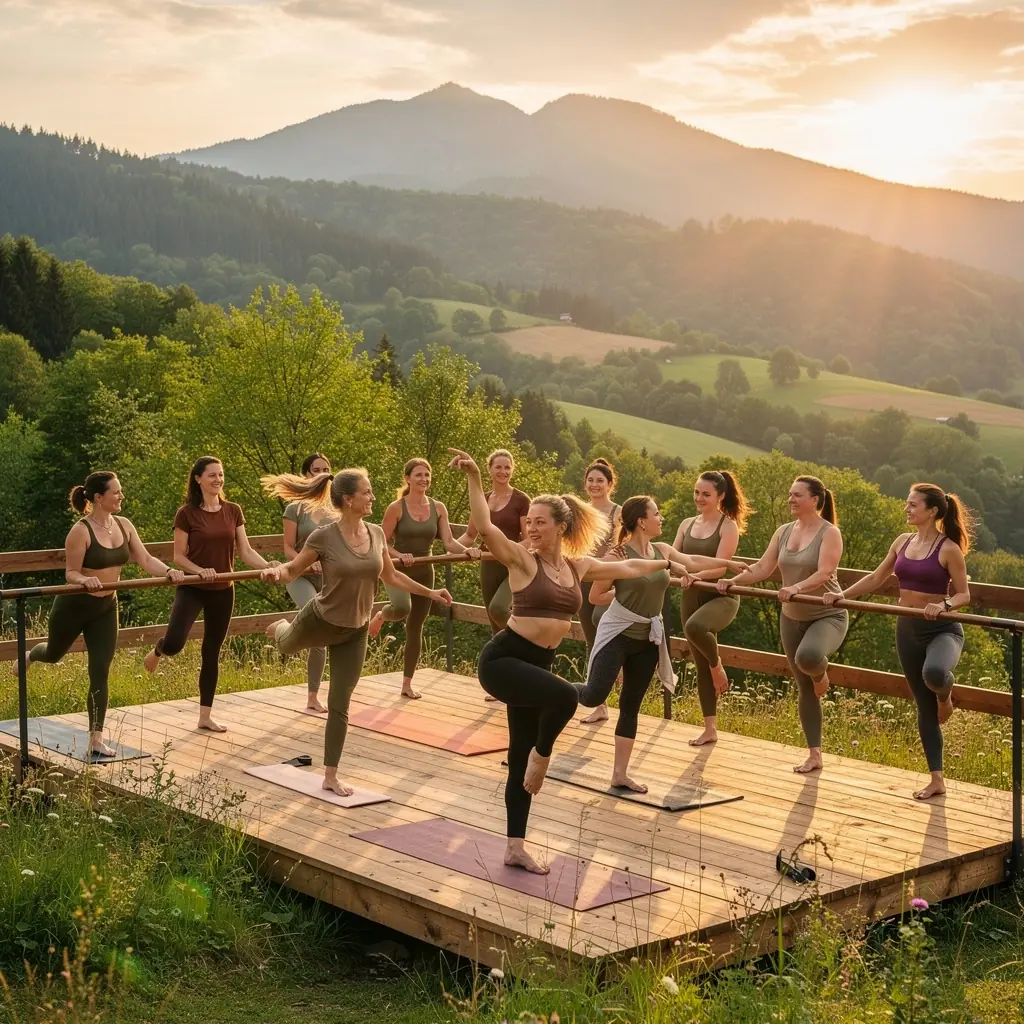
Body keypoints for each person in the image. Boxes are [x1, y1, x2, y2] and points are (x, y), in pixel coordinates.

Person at [448, 447, 688, 875]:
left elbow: (630, 567)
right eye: (530, 521)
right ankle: (544, 756)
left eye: (541, 522)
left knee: (518, 757)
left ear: (561, 526)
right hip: (503, 660)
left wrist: (665, 562)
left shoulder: (577, 568)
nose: (532, 527)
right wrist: (472, 476)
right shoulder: (523, 559)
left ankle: (515, 846)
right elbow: (484, 525)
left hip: (538, 663)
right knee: (563, 698)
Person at [260, 468, 453, 796]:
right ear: (349, 500)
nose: (372, 498)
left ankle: (331, 776)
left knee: (339, 703)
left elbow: (392, 578)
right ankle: (280, 627)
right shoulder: (323, 536)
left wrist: (431, 593)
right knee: (286, 645)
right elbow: (292, 569)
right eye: (366, 492)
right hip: (319, 620)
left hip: (355, 630)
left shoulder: (377, 534)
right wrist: (274, 573)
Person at [576, 495, 739, 791]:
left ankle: (620, 774)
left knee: (630, 706)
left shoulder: (661, 550)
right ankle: (549, 690)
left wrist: (728, 563)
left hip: (649, 638)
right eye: (657, 513)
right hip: (618, 635)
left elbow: (691, 562)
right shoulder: (618, 556)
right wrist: (626, 599)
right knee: (592, 694)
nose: (661, 518)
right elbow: (595, 597)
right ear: (641, 521)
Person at [822, 484, 973, 799]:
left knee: (934, 674)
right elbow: (876, 578)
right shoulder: (902, 542)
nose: (907, 509)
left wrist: (943, 605)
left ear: (931, 510)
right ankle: (936, 779)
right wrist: (841, 595)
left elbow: (964, 594)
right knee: (922, 704)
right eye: (907, 503)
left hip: (941, 630)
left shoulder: (948, 549)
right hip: (907, 629)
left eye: (913, 504)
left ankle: (945, 696)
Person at [18, 472, 185, 756]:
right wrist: (84, 580)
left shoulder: (124, 525)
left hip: (106, 607)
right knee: (54, 654)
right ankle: (31, 655)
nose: (121, 496)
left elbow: (145, 559)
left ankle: (96, 737)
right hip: (74, 606)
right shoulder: (81, 530)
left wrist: (169, 571)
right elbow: (70, 572)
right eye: (116, 492)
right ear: (98, 498)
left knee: (100, 670)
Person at [719, 476, 847, 774]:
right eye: (789, 494)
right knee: (802, 685)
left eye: (797, 495)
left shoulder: (830, 533)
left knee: (809, 659)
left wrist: (796, 588)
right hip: (791, 618)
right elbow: (764, 568)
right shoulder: (783, 531)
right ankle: (815, 754)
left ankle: (821, 674)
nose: (790, 499)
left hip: (826, 616)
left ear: (815, 500)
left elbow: (825, 572)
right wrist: (732, 581)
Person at [144, 456, 277, 733]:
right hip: (193, 588)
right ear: (198, 479)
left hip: (223, 590)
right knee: (175, 644)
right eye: (212, 475)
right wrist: (200, 570)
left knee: (211, 651)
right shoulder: (186, 513)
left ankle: (205, 716)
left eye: (221, 474)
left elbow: (245, 551)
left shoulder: (233, 510)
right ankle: (160, 649)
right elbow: (179, 557)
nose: (218, 479)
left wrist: (269, 565)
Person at [372, 458, 480, 699]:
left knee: (415, 626)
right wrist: (401, 555)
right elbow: (382, 543)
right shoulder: (396, 508)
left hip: (425, 570)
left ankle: (407, 684)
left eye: (427, 475)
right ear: (407, 479)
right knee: (401, 607)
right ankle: (382, 614)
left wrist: (468, 551)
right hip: (397, 569)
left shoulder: (438, 507)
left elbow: (450, 543)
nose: (424, 479)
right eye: (418, 475)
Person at [672, 470, 750, 747]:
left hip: (720, 597)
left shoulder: (727, 526)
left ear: (720, 496)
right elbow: (674, 557)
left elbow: (719, 567)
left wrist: (694, 576)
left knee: (696, 628)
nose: (699, 498)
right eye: (696, 492)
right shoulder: (686, 524)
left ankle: (719, 666)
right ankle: (710, 729)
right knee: (698, 661)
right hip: (691, 595)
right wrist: (681, 573)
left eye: (706, 494)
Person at [282, 453, 338, 715]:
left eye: (326, 469)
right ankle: (284, 630)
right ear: (306, 475)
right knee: (318, 621)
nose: (321, 474)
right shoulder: (294, 509)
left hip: (329, 576)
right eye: (316, 470)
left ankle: (313, 697)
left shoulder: (337, 508)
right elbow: (287, 549)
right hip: (300, 576)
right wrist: (305, 562)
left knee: (326, 632)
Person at [458, 449, 530, 633]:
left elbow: (530, 540)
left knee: (498, 609)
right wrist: (452, 548)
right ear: (489, 470)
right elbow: (469, 536)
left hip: (512, 564)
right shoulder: (483, 499)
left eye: (507, 467)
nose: (503, 471)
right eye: (498, 467)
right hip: (488, 564)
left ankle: (526, 642)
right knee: (494, 623)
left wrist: (507, 550)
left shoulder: (521, 500)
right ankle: (501, 659)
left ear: (512, 470)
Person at [577, 458, 623, 724]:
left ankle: (620, 682)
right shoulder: (580, 511)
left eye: (600, 481)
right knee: (591, 639)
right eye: (590, 480)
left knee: (609, 634)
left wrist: (604, 566)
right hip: (583, 579)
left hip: (607, 581)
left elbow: (619, 545)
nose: (594, 485)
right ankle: (599, 704)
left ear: (609, 484)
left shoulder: (617, 512)